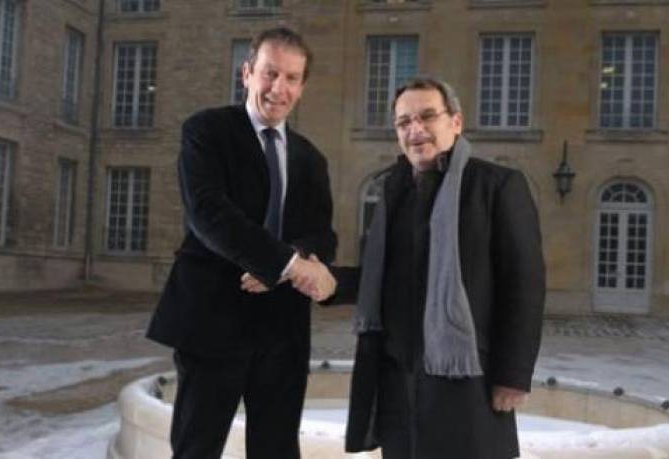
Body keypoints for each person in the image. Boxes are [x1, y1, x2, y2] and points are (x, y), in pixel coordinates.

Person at [327, 78, 546, 459]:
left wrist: (513, 375)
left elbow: (523, 285)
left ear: (456, 122)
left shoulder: (495, 186)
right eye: (404, 122)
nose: (416, 130)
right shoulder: (393, 190)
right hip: (398, 379)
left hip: (467, 381)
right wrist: (328, 283)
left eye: (428, 116)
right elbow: (383, 280)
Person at [146, 27, 337, 459]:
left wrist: (284, 268)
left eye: (291, 78)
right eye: (270, 73)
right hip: (212, 323)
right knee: (197, 449)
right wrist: (286, 264)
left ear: (302, 87)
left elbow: (321, 235)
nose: (279, 88)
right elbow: (209, 215)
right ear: (247, 73)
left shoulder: (311, 158)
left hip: (282, 331)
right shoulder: (206, 132)